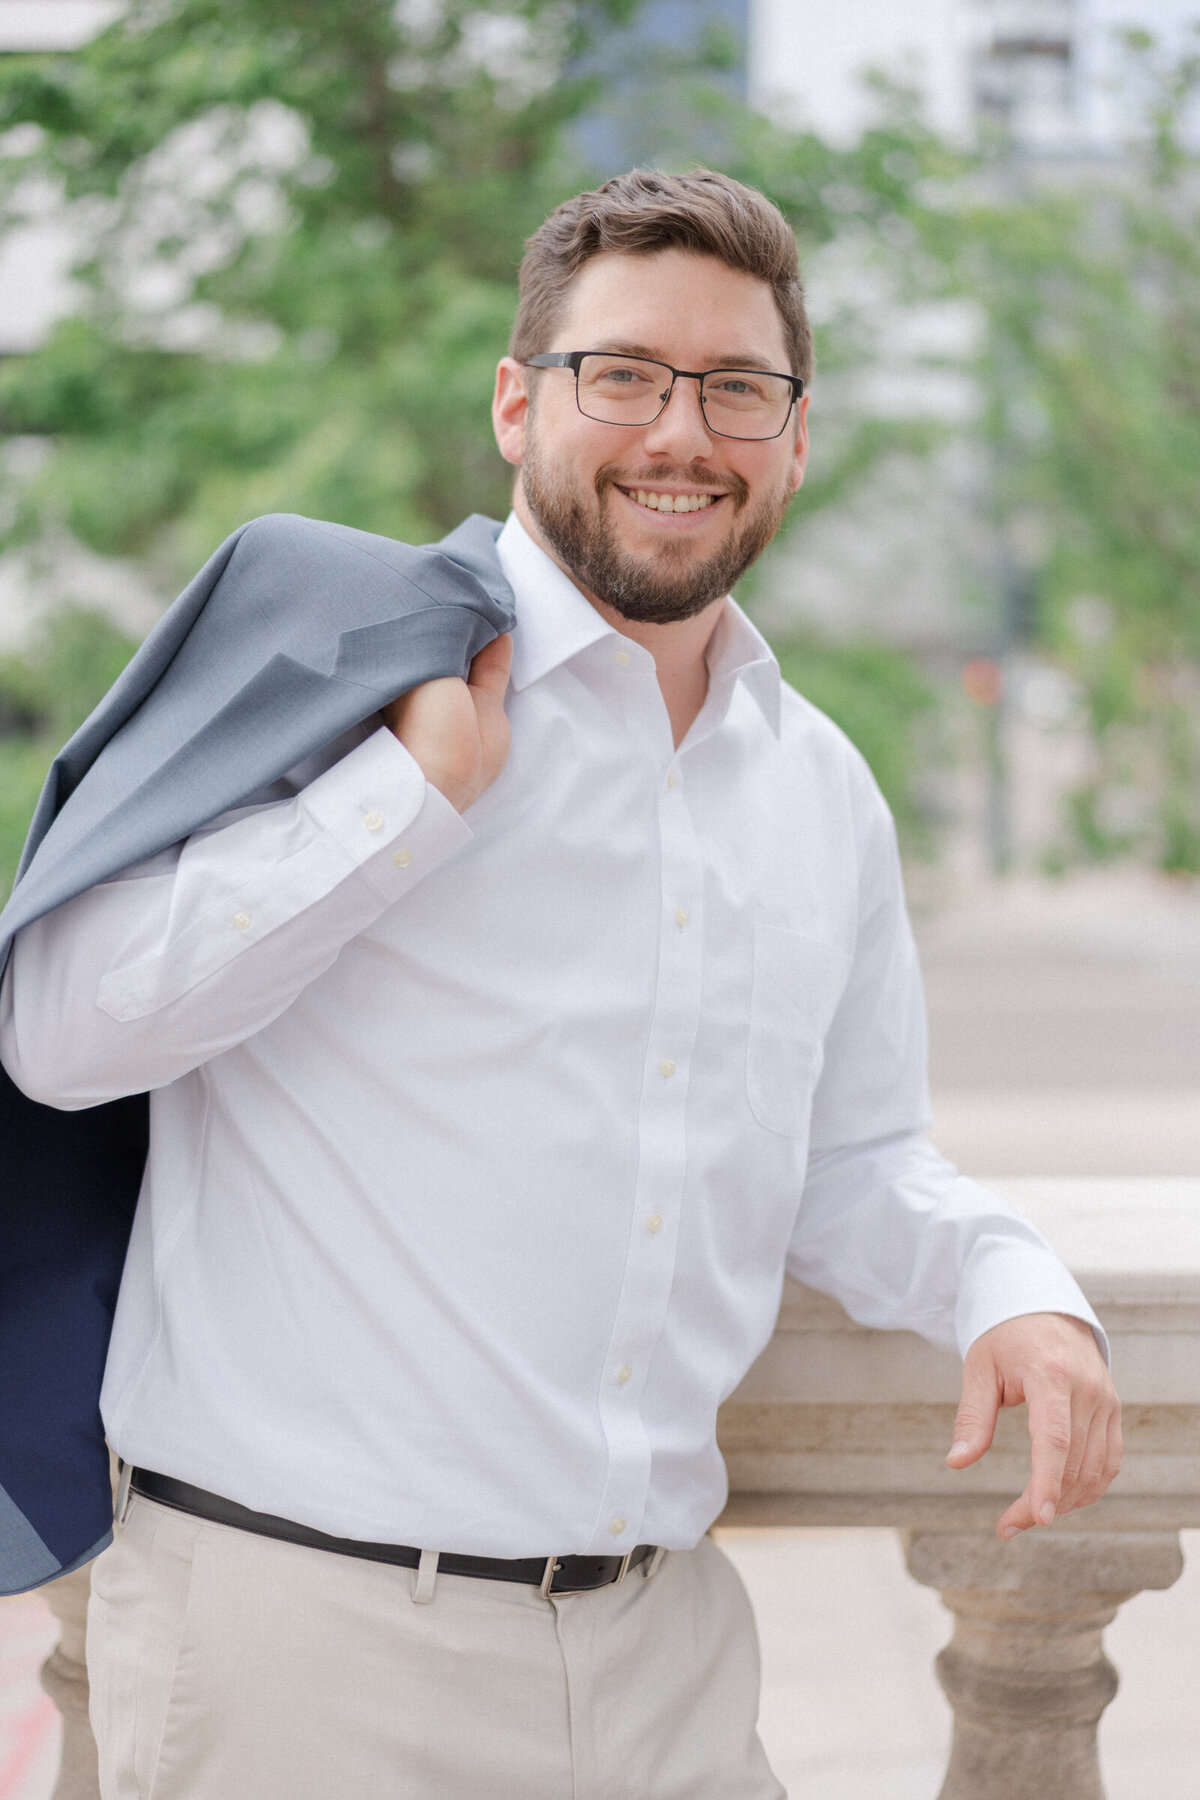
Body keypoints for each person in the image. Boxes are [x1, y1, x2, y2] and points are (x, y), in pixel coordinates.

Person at [0, 168, 1120, 1800]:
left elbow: (856, 1163)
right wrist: (398, 805)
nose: (683, 431)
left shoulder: (818, 788)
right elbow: (58, 1033)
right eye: (624, 377)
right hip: (306, 1656)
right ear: (520, 405)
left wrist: (1007, 1281)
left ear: (795, 437)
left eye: (738, 387)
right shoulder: (342, 681)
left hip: (665, 1659)